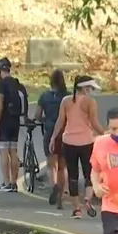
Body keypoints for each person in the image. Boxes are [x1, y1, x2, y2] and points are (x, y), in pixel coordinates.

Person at [50, 75, 106, 217]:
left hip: (68, 141)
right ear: (84, 88)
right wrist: (105, 134)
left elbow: (60, 121)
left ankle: (76, 209)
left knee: (73, 175)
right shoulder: (90, 102)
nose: (91, 90)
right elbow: (94, 123)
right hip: (87, 141)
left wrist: (53, 138)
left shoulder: (66, 101)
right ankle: (87, 199)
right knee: (89, 173)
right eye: (90, 88)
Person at [36, 70, 69, 207]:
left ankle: (54, 185)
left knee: (52, 166)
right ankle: (61, 196)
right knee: (62, 166)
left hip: (50, 131)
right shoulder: (67, 97)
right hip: (65, 133)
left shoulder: (44, 96)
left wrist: (45, 120)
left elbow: (37, 115)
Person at [0, 57, 26, 192]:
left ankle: (6, 182)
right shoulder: (17, 83)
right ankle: (14, 183)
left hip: (4, 121)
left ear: (0, 71)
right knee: (13, 151)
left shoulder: (1, 85)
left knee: (3, 152)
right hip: (15, 120)